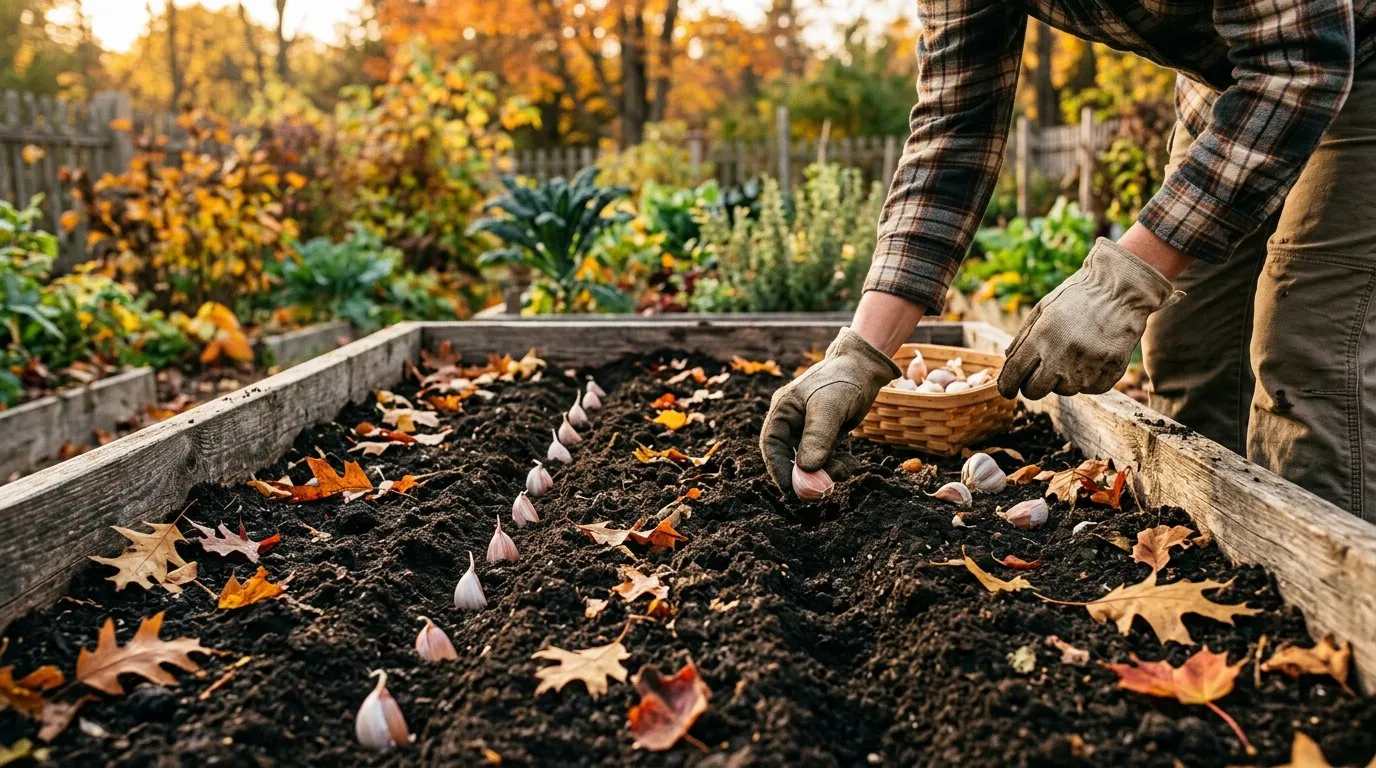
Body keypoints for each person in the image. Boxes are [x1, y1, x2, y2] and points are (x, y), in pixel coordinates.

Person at [760, 0, 1376, 521]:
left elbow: (1302, 64)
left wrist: (1123, 282)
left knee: (1308, 364)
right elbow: (955, 127)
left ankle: (1322, 633)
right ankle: (1208, 581)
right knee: (1191, 353)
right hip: (1231, 85)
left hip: (1350, 58)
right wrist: (860, 354)